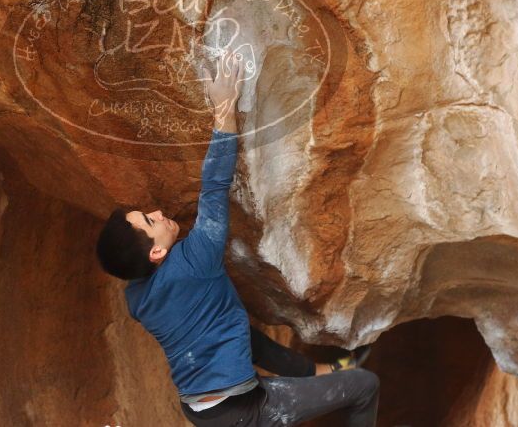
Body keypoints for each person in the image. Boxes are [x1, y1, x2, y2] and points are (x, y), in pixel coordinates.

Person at [96, 54, 380, 426]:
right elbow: (214, 187)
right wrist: (224, 105)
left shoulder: (136, 297)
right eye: (151, 221)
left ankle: (321, 369)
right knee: (364, 385)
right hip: (242, 412)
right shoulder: (197, 260)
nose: (159, 213)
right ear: (157, 251)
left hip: (202, 408)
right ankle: (332, 373)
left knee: (242, 332)